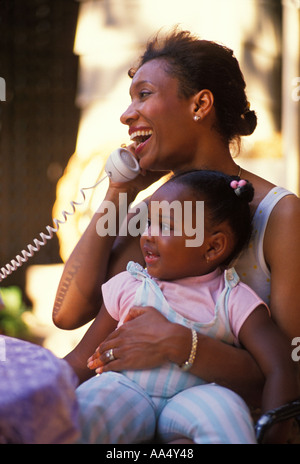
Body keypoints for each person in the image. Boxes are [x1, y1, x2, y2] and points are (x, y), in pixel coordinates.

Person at [53, 29, 300, 409]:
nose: (126, 114)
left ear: (200, 104)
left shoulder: (280, 214)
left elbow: (290, 371)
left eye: (144, 95)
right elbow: (68, 314)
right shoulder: (151, 218)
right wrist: (119, 192)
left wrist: (180, 345)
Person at [65, 170, 299, 444]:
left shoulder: (234, 299)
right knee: (88, 408)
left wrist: (274, 432)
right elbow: (83, 359)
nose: (148, 235)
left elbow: (280, 366)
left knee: (226, 414)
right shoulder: (130, 284)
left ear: (213, 247)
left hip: (198, 395)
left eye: (165, 226)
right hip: (125, 387)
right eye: (149, 222)